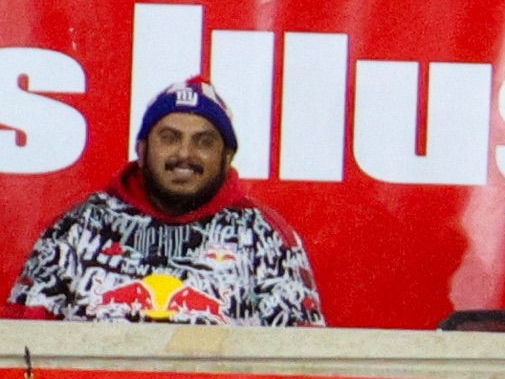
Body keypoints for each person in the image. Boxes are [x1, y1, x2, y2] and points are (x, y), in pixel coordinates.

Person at [9, 79, 324, 328]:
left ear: (227, 157)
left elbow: (303, 366)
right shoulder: (76, 231)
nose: (184, 154)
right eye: (170, 138)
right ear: (142, 148)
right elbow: (19, 351)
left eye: (204, 142)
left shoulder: (265, 238)